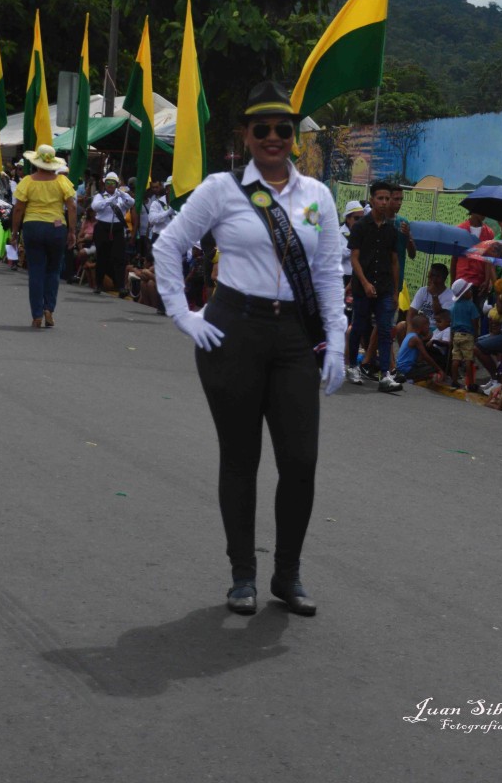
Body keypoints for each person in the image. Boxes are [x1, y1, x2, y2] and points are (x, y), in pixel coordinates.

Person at [154, 81, 345, 617]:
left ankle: (288, 574)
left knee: (301, 461)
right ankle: (243, 576)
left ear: (294, 136)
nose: (273, 138)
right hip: (233, 329)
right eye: (261, 129)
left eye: (283, 129)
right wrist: (182, 313)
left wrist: (338, 343)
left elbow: (328, 272)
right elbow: (168, 244)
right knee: (240, 458)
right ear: (246, 134)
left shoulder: (318, 197)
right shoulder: (222, 189)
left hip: (294, 339)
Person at [9, 144, 76, 328]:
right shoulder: (62, 181)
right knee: (53, 270)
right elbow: (72, 207)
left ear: (37, 163)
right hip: (56, 228)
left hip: (33, 227)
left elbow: (18, 209)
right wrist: (72, 231)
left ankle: (37, 314)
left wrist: (14, 232)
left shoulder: (28, 181)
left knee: (36, 271)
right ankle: (49, 309)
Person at [346, 181, 402, 393]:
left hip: (385, 288)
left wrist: (395, 291)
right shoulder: (360, 227)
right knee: (358, 327)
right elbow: (354, 259)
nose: (384, 202)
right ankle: (352, 366)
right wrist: (365, 283)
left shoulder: (391, 230)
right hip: (363, 289)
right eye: (380, 198)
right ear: (372, 200)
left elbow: (394, 262)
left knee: (385, 330)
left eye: (387, 199)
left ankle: (385, 375)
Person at [91, 172, 135, 295]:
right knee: (102, 257)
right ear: (105, 184)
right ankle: (98, 284)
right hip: (102, 228)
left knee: (119, 257)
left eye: (113, 183)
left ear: (116, 184)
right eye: (108, 183)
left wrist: (120, 193)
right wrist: (110, 200)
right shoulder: (99, 196)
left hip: (117, 228)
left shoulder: (121, 196)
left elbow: (131, 202)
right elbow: (95, 207)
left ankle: (120, 286)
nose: (110, 185)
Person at [450, 211, 494, 296]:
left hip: (480, 282)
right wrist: (453, 281)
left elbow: (488, 259)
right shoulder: (460, 230)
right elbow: (454, 258)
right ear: (473, 210)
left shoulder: (489, 233)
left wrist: (487, 280)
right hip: (462, 280)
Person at [393, 314, 445, 383]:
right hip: (406, 370)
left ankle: (412, 378)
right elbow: (426, 356)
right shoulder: (416, 339)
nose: (428, 329)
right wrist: (439, 370)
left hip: (401, 368)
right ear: (422, 326)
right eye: (427, 327)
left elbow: (419, 359)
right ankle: (410, 380)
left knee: (425, 366)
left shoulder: (410, 335)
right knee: (434, 368)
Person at [449, 277, 480, 390]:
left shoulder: (453, 307)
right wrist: (476, 334)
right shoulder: (470, 305)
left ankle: (454, 380)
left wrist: (451, 337)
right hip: (468, 334)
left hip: (456, 335)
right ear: (464, 294)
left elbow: (451, 323)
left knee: (455, 359)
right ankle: (470, 383)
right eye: (469, 290)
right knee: (468, 360)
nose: (471, 292)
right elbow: (475, 320)